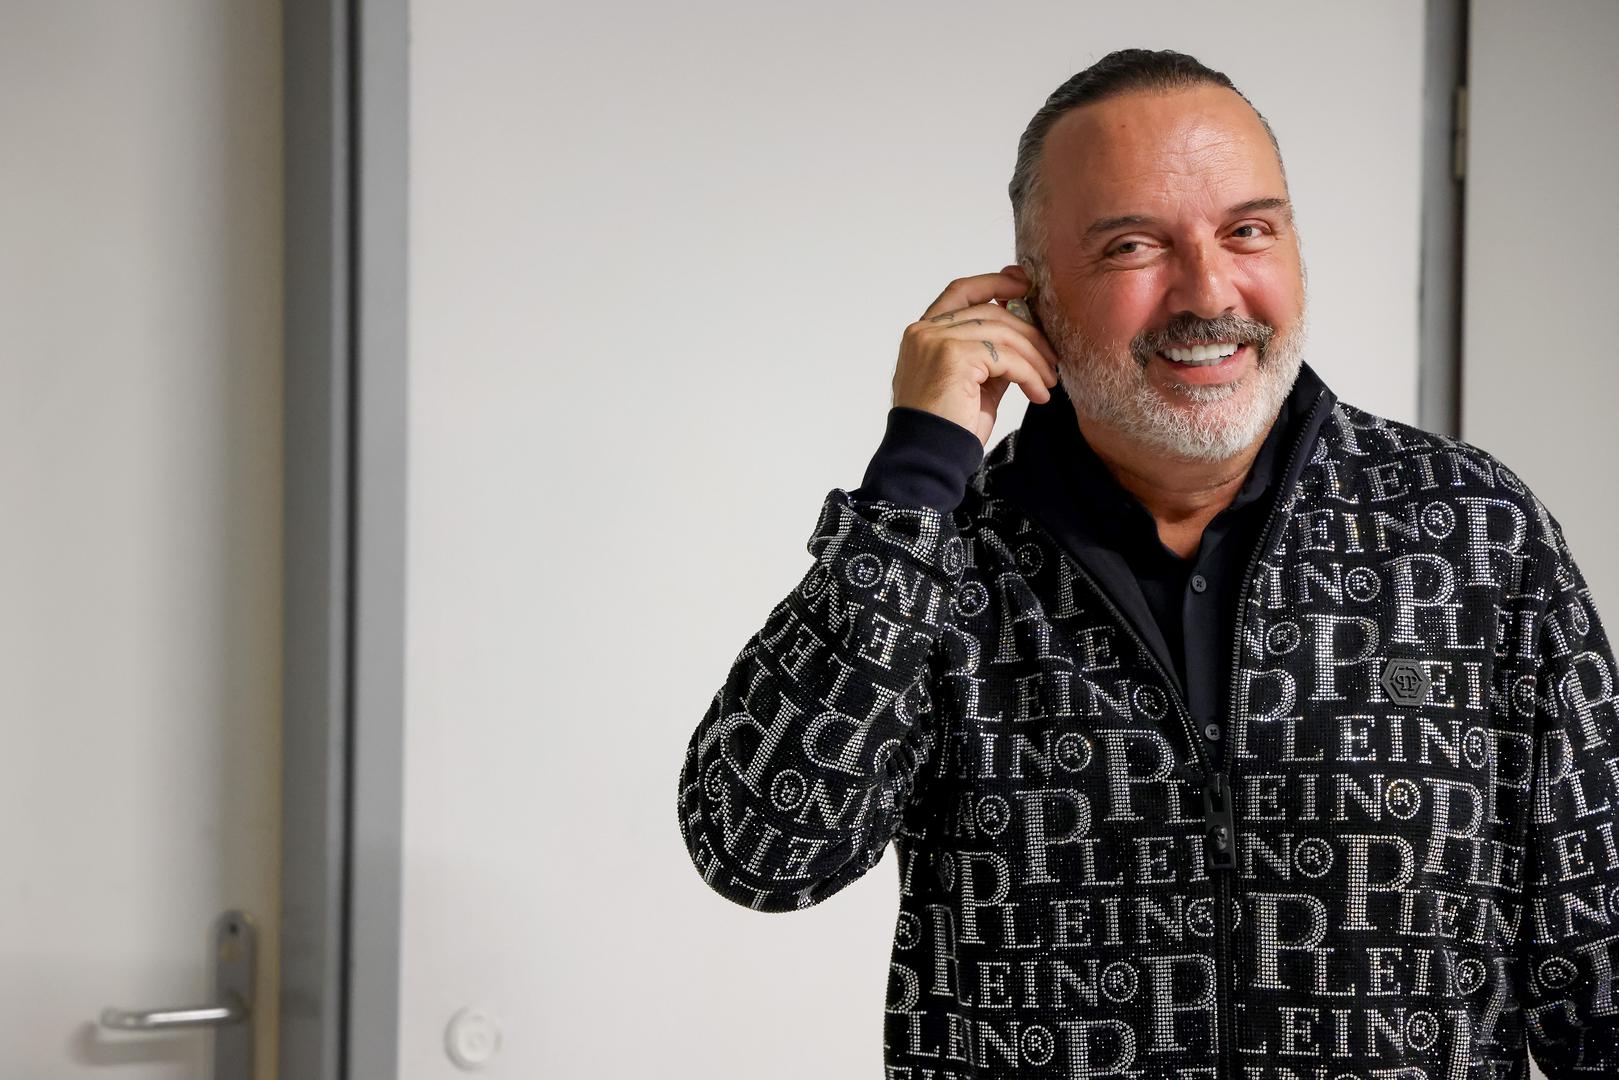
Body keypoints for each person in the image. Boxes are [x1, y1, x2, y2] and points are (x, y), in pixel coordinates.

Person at [676, 48, 1619, 1080]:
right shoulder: (943, 557)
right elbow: (757, 849)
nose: (1207, 291)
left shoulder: (1471, 532)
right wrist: (912, 482)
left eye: (1248, 230)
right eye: (1133, 246)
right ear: (1027, 295)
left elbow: (1603, 971)